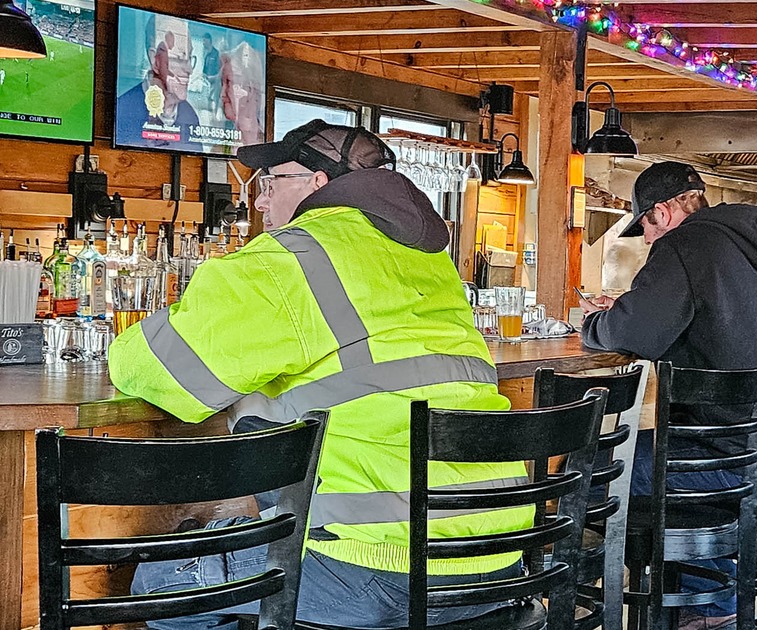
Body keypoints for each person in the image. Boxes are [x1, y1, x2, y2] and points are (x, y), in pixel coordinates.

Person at [110, 120, 529, 629]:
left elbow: (164, 369)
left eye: (271, 182)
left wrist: (127, 339)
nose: (260, 203)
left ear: (317, 183)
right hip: (496, 561)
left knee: (161, 585)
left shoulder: (291, 256)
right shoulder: (425, 258)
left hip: (378, 567)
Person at [581, 161, 757, 629]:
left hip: (737, 455)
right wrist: (628, 310)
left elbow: (637, 333)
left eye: (645, 224)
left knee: (595, 471)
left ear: (664, 212)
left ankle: (702, 606)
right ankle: (698, 595)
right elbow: (673, 318)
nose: (647, 238)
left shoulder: (682, 245)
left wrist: (592, 324)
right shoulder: (735, 246)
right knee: (646, 465)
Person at [113, 13, 202, 152]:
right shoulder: (122, 110)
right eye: (180, 58)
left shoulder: (190, 116)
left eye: (189, 58)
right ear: (155, 61)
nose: (189, 69)